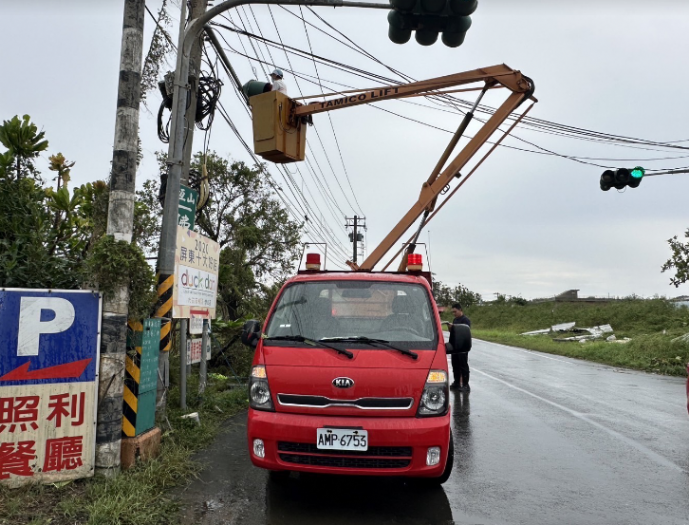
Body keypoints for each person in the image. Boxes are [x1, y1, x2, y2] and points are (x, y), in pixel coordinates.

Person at [446, 303, 471, 391]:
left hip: (462, 346)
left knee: (463, 365)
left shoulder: (465, 320)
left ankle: (465, 384)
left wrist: (455, 327)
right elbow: (453, 332)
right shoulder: (455, 320)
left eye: (455, 311)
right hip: (455, 346)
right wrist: (450, 328)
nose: (454, 314)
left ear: (460, 310)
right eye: (453, 312)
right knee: (455, 365)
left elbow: (464, 332)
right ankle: (456, 382)